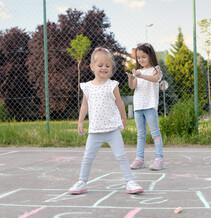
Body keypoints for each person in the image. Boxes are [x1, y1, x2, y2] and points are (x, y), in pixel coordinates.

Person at [68, 47, 144, 195]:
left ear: (111, 68)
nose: (104, 68)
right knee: (87, 157)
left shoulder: (112, 85)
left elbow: (120, 102)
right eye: (100, 65)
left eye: (107, 66)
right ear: (92, 67)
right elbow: (84, 105)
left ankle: (130, 181)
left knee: (121, 156)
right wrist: (80, 122)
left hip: (112, 129)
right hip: (95, 130)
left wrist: (123, 118)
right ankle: (82, 182)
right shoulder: (88, 87)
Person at [127, 43, 165, 171]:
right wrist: (131, 78)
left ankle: (159, 159)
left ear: (150, 56)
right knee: (140, 134)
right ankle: (139, 159)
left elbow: (155, 79)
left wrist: (140, 75)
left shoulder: (156, 69)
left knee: (155, 132)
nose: (141, 60)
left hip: (150, 106)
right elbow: (132, 87)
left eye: (144, 56)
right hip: (138, 106)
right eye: (138, 57)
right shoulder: (139, 72)